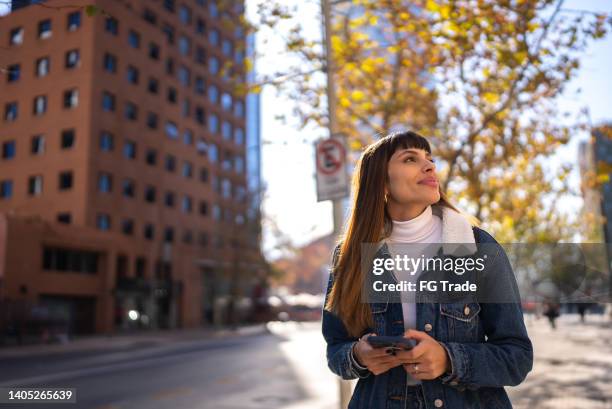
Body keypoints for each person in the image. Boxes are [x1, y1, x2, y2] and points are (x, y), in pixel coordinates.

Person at [321, 131, 533, 409]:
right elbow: (336, 349)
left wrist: (448, 359)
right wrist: (358, 355)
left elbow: (516, 357)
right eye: (410, 158)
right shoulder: (349, 256)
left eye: (430, 159)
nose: (430, 166)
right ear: (381, 182)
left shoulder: (476, 246)